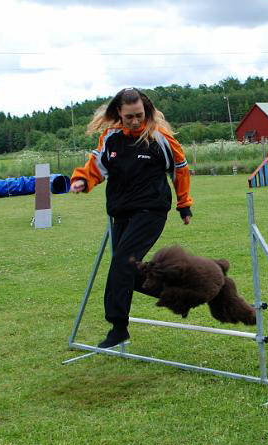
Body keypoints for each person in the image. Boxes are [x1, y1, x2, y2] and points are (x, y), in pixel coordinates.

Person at [69, 87, 193, 349]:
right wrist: (82, 180)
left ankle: (118, 327)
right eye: (130, 117)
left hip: (151, 210)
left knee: (121, 264)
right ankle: (176, 294)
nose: (136, 122)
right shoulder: (111, 138)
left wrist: (184, 204)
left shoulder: (160, 139)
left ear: (146, 111)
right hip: (121, 213)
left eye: (139, 115)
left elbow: (180, 170)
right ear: (119, 115)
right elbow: (97, 166)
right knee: (127, 271)